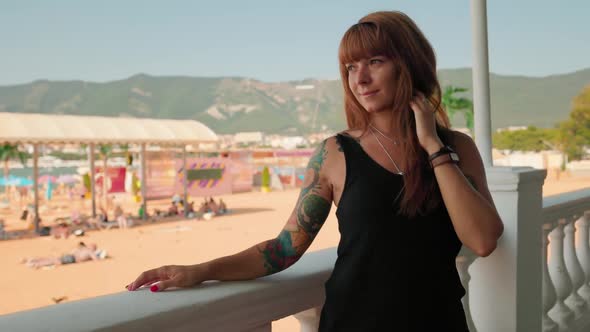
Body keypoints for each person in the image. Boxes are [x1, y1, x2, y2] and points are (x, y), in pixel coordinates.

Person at [125, 11, 504, 331]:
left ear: (409, 63)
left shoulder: (455, 148)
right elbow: (282, 250)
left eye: (375, 61)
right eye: (350, 67)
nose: (360, 79)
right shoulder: (336, 154)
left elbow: (483, 240)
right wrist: (200, 270)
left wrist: (433, 147)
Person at [23, 242, 105, 269]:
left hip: (69, 255)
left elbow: (73, 251)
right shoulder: (89, 251)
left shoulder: (82, 249)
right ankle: (35, 264)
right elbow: (96, 259)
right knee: (54, 261)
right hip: (72, 258)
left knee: (52, 258)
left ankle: (33, 260)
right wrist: (102, 257)